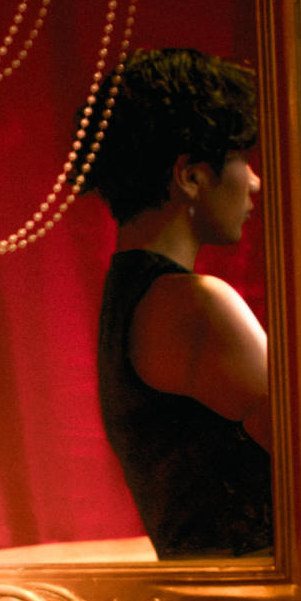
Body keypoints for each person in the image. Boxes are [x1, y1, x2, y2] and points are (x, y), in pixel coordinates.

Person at [84, 47, 275, 559]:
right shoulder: (195, 306)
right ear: (190, 175)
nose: (254, 182)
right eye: (241, 159)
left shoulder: (127, 297)